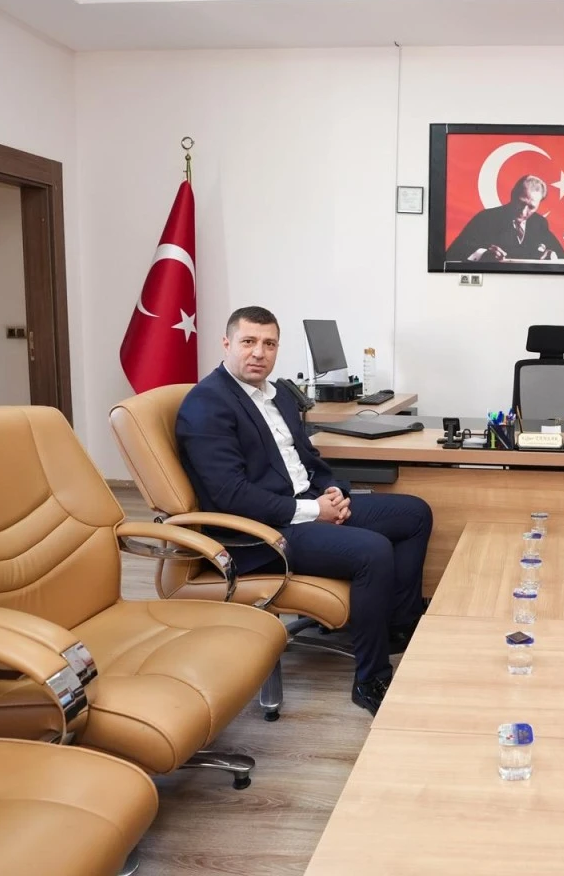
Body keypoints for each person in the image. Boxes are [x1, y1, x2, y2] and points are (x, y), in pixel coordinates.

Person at [175, 306, 433, 716]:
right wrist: (315, 510)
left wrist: (335, 492)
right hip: (259, 532)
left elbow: (308, 458)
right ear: (226, 344)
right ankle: (370, 679)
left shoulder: (276, 394)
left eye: (269, 343)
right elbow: (230, 495)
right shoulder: (207, 404)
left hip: (306, 504)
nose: (259, 352)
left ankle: (395, 628)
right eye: (248, 342)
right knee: (372, 551)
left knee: (414, 514)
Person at [445, 174, 564, 263]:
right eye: (521, 203)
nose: (523, 211)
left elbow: (562, 256)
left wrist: (552, 254)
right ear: (512, 195)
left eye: (531, 207)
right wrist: (482, 254)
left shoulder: (539, 223)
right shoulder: (485, 218)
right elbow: (452, 253)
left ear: (539, 205)